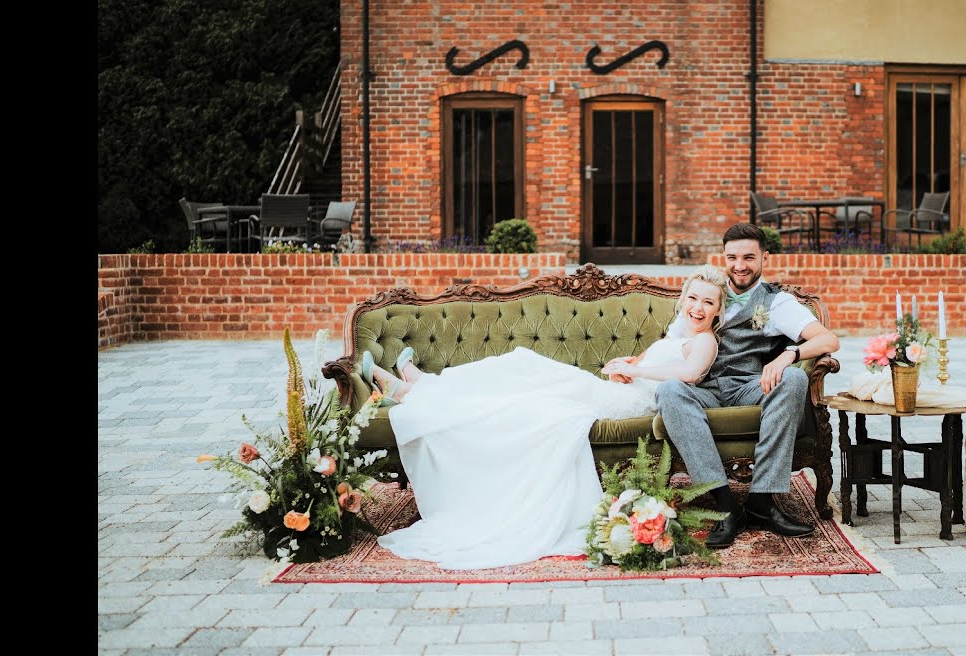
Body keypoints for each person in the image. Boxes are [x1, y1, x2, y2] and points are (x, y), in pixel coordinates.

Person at [358, 265, 728, 569]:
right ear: (683, 300)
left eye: (707, 302)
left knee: (524, 368)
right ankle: (422, 387)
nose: (698, 307)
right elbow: (653, 366)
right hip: (618, 392)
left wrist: (640, 373)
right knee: (518, 385)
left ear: (717, 309)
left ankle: (417, 389)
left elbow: (690, 374)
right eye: (693, 298)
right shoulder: (678, 332)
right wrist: (628, 366)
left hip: (623, 403)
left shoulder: (706, 340)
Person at [653, 223, 840, 549]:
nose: (740, 265)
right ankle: (724, 506)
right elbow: (671, 341)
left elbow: (828, 339)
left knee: (795, 377)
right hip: (705, 388)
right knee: (669, 390)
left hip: (751, 386)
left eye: (749, 257)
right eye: (732, 257)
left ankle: (763, 501)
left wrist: (789, 354)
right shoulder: (707, 292)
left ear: (765, 257)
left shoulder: (776, 302)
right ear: (723, 257)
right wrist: (634, 366)